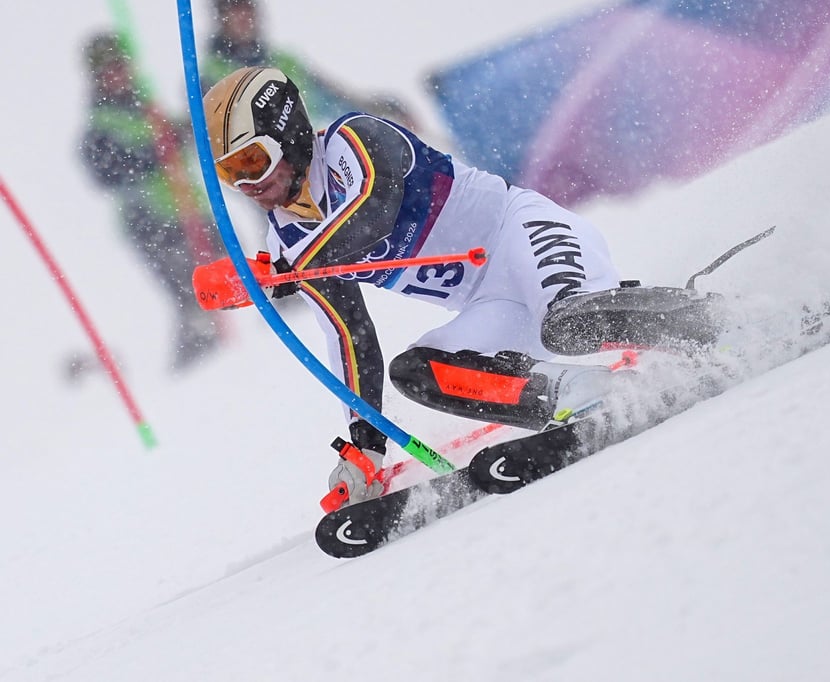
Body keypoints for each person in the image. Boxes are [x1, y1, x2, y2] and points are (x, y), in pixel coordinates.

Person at [198, 67, 704, 507]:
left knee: (567, 324)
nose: (246, 186)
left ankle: (711, 320)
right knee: (417, 372)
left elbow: (373, 210)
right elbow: (350, 336)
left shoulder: (356, 141)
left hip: (524, 237)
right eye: (229, 174)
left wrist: (293, 268)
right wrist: (365, 444)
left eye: (251, 163)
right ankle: (584, 396)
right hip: (494, 304)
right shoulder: (290, 237)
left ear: (288, 137)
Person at [79, 32, 222, 372]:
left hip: (195, 214)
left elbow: (183, 136)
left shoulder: (147, 108)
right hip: (153, 224)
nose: (116, 76)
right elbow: (106, 170)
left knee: (239, 274)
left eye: (119, 67)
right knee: (193, 298)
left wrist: (189, 129)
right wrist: (154, 151)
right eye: (107, 72)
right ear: (97, 80)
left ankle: (244, 353)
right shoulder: (101, 125)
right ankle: (198, 368)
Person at [201, 0, 417, 131]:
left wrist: (384, 108)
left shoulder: (284, 60)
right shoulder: (212, 75)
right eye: (235, 12)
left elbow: (336, 98)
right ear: (222, 19)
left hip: (317, 160)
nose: (244, 18)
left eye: (248, 11)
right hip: (271, 178)